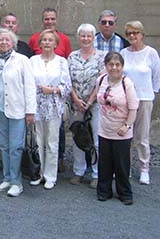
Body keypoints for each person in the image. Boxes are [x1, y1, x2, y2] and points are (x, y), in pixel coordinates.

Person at [0, 28, 36, 197]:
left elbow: (30, 86)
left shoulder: (22, 60)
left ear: (13, 42)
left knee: (16, 147)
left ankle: (17, 182)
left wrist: (30, 111)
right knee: (4, 146)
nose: (4, 42)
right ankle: (7, 178)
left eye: (7, 40)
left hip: (17, 110)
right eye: (1, 40)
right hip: (0, 109)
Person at [28, 8, 72, 173]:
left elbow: (67, 86)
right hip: (36, 107)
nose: (47, 42)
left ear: (55, 43)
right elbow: (28, 84)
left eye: (50, 40)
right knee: (37, 141)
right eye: (44, 40)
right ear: (39, 43)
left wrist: (52, 90)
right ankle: (38, 173)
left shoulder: (61, 62)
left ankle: (50, 175)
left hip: (54, 107)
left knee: (52, 142)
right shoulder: (32, 61)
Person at [120, 21, 160, 185]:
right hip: (125, 100)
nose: (132, 36)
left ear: (142, 34)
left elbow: (156, 77)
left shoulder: (151, 53)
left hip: (144, 99)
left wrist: (152, 94)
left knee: (141, 136)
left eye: (135, 33)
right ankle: (126, 167)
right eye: (129, 33)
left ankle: (144, 168)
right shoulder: (123, 52)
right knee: (125, 135)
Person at [96, 52, 138, 205]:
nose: (114, 68)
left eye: (117, 65)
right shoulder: (101, 80)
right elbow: (98, 98)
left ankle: (125, 193)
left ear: (122, 66)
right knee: (105, 163)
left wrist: (126, 126)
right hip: (104, 129)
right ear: (106, 66)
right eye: (111, 64)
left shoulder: (127, 84)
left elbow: (133, 108)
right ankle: (104, 191)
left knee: (121, 164)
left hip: (122, 131)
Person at [68, 23, 105, 189]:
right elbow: (68, 81)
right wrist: (76, 99)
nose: (85, 38)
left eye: (89, 36)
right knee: (78, 138)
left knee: (96, 139)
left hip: (95, 104)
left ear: (93, 37)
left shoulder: (101, 57)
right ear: (78, 37)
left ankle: (97, 173)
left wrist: (89, 101)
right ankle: (79, 171)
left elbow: (102, 82)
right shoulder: (72, 57)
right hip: (76, 105)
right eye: (82, 35)